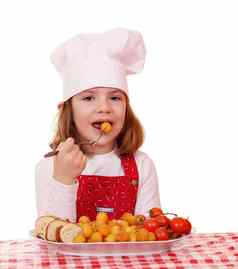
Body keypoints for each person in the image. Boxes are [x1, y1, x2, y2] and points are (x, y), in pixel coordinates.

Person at [35, 28, 161, 222]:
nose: (104, 107)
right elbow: (52, 233)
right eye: (88, 98)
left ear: (126, 107)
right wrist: (64, 179)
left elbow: (152, 230)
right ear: (67, 110)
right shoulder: (50, 166)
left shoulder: (142, 165)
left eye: (115, 97)